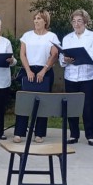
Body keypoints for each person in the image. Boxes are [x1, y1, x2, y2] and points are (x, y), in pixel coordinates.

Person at [13, 10, 60, 143]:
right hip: (29, 69)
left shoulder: (52, 36)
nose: (36, 21)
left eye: (39, 18)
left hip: (44, 71)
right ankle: (19, 133)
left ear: (45, 21)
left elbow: (54, 55)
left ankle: (39, 133)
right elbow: (22, 54)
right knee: (24, 101)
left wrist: (44, 70)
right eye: (35, 18)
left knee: (42, 103)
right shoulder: (27, 36)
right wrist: (28, 70)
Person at [59, 9, 93, 146]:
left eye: (79, 21)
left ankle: (90, 135)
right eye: (74, 21)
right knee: (71, 106)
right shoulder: (67, 38)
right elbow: (62, 58)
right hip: (71, 76)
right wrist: (65, 59)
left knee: (88, 106)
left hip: (87, 76)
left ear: (85, 22)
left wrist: (82, 56)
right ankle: (73, 134)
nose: (76, 24)